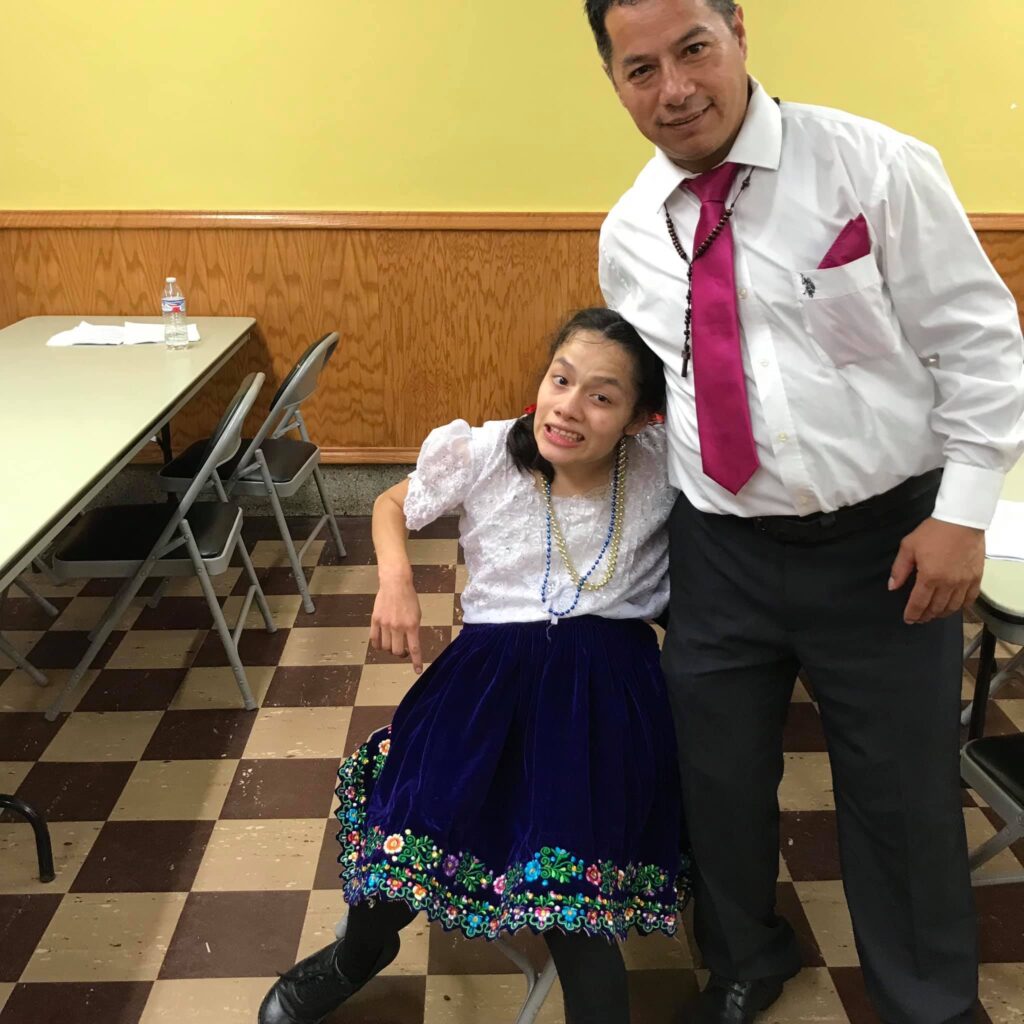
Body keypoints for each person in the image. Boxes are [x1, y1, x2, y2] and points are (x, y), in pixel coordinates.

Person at [582, 2, 1024, 1023]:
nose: (675, 88)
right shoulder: (628, 233)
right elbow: (657, 405)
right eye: (640, 68)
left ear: (738, 34)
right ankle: (744, 956)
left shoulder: (873, 167)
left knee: (901, 792)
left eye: (694, 48)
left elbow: (981, 343)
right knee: (717, 778)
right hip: (720, 551)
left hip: (888, 543)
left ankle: (925, 999)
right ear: (613, 81)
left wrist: (961, 516)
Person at [258, 307, 689, 1024]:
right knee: (410, 829)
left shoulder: (660, 466)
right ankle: (356, 954)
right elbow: (392, 504)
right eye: (561, 379)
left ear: (641, 418)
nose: (568, 408)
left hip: (604, 697)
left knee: (575, 907)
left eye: (601, 396)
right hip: (486, 681)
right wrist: (396, 579)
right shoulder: (487, 451)